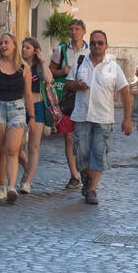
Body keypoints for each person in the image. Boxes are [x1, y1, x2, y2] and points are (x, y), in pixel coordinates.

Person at [63, 30, 132, 205]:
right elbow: (68, 83)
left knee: (99, 155)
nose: (96, 46)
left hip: (104, 118)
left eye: (100, 43)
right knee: (81, 154)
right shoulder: (81, 62)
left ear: (106, 46)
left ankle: (92, 189)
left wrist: (127, 118)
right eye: (93, 43)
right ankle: (86, 176)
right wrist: (77, 85)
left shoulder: (113, 67)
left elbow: (125, 91)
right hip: (81, 116)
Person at [0, 33, 34, 204]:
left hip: (18, 109)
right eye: (1, 43)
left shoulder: (24, 68)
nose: (3, 45)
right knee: (0, 151)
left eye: (6, 42)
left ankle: (12, 187)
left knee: (12, 149)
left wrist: (32, 117)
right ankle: (2, 187)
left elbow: (28, 95)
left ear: (14, 45)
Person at [49, 18, 88, 189]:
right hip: (67, 100)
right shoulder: (61, 50)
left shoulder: (89, 51)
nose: (74, 32)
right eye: (71, 29)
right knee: (69, 138)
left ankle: (85, 172)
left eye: (77, 29)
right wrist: (61, 71)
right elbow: (50, 71)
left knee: (85, 138)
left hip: (85, 99)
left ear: (84, 31)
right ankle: (74, 176)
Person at [16, 37, 55, 193]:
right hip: (20, 107)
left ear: (35, 51)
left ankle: (28, 182)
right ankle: (27, 168)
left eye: (28, 47)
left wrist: (44, 61)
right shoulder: (18, 65)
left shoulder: (39, 67)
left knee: (33, 146)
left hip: (38, 106)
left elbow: (49, 79)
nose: (24, 49)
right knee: (16, 147)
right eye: (23, 47)